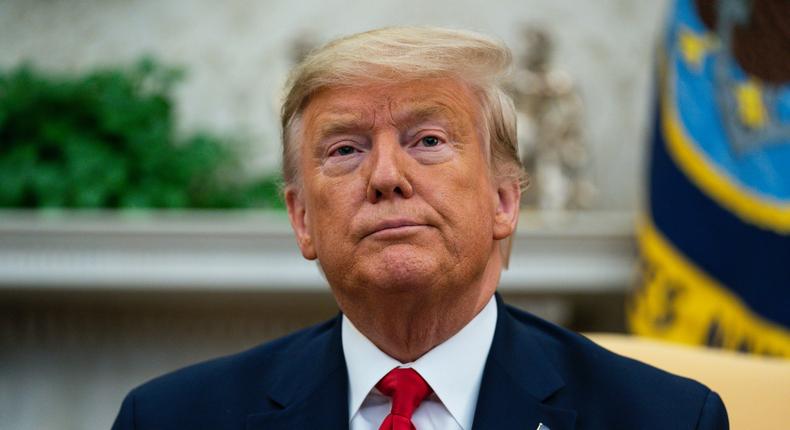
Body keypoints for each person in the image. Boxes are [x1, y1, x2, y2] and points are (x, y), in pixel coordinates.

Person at [112, 27, 728, 430]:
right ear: (302, 219)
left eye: (428, 141)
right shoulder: (170, 418)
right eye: (346, 149)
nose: (386, 176)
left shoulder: (664, 419)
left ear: (504, 202)